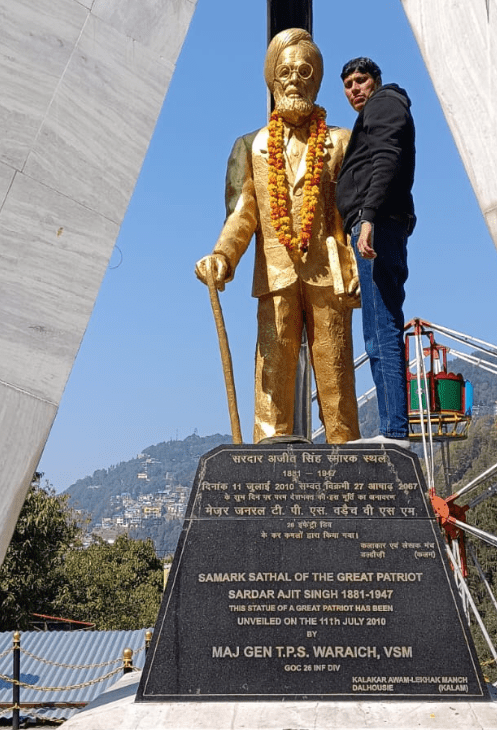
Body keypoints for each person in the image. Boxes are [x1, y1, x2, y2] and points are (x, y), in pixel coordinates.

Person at [194, 29, 361, 445]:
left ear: (316, 79)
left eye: (305, 70)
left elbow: (353, 212)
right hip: (275, 274)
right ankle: (269, 465)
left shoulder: (341, 142)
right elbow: (242, 214)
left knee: (337, 377)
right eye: (284, 71)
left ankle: (349, 470)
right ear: (271, 79)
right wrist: (222, 256)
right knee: (272, 377)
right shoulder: (251, 147)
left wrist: (357, 261)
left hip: (330, 276)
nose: (294, 79)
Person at [336, 57, 416, 448]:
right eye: (348, 83)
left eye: (360, 80)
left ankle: (394, 432)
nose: (354, 88)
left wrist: (367, 218)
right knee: (376, 327)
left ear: (376, 81)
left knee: (381, 326)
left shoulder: (384, 103)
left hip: (377, 224)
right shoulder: (378, 108)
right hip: (380, 223)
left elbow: (387, 159)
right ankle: (393, 428)